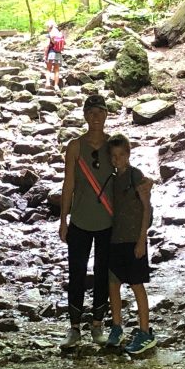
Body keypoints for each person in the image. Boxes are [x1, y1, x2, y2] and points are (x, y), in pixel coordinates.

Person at [58, 93, 114, 349]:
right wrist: (63, 219)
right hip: (80, 219)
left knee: (104, 272)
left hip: (108, 220)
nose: (95, 118)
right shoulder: (75, 147)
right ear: (84, 116)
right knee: (77, 272)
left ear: (105, 115)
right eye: (90, 113)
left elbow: (122, 180)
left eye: (99, 113)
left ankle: (98, 324)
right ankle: (74, 327)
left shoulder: (114, 145)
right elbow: (68, 184)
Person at [102, 133, 157, 355]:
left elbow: (147, 209)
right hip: (115, 239)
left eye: (121, 155)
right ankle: (117, 327)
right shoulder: (113, 180)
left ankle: (145, 332)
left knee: (136, 285)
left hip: (134, 239)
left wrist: (142, 240)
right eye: (113, 156)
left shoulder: (136, 177)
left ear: (128, 155)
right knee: (113, 283)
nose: (117, 160)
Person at [44, 20, 64, 89]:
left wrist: (45, 55)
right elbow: (64, 43)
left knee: (48, 69)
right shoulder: (60, 34)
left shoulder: (49, 34)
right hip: (58, 53)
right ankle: (56, 85)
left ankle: (48, 83)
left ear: (48, 27)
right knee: (57, 70)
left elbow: (46, 46)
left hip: (51, 53)